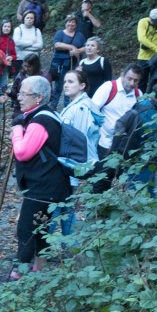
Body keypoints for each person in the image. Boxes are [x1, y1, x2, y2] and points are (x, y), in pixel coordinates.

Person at [10, 75, 72, 279]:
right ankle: (40, 269)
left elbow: (22, 152)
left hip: (42, 186)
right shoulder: (48, 115)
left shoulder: (41, 121)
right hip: (51, 184)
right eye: (19, 92)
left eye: (24, 93)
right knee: (42, 227)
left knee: (26, 229)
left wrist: (16, 131)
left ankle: (20, 273)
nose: (19, 97)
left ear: (38, 98)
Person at [50, 69, 104, 235]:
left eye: (71, 82)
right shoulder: (79, 105)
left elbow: (76, 142)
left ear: (82, 86)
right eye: (65, 81)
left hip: (69, 166)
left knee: (56, 208)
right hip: (71, 166)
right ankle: (70, 246)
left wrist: (66, 167)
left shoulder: (80, 109)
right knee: (66, 208)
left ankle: (40, 247)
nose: (66, 85)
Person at [103, 80, 157, 194]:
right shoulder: (150, 115)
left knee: (145, 193)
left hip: (135, 161)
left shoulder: (144, 103)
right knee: (143, 195)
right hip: (141, 165)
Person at [91, 64, 142, 159]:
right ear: (122, 75)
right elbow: (92, 110)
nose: (132, 83)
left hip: (123, 147)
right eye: (129, 79)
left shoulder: (138, 94)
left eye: (136, 80)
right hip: (103, 143)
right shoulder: (109, 87)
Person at [49, 15, 86, 110]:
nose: (71, 24)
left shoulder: (80, 35)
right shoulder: (60, 33)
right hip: (60, 63)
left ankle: (67, 105)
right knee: (59, 84)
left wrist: (77, 51)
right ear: (65, 23)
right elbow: (57, 45)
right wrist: (71, 47)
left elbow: (85, 47)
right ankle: (54, 104)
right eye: (69, 21)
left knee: (70, 83)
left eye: (73, 22)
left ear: (76, 24)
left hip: (73, 63)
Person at [12, 10, 43, 76]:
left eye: (31, 18)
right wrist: (31, 43)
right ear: (24, 18)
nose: (29, 20)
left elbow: (40, 46)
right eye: (27, 18)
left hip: (34, 60)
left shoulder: (37, 31)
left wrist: (23, 47)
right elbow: (17, 43)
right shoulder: (18, 29)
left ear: (34, 20)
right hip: (20, 59)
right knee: (20, 78)